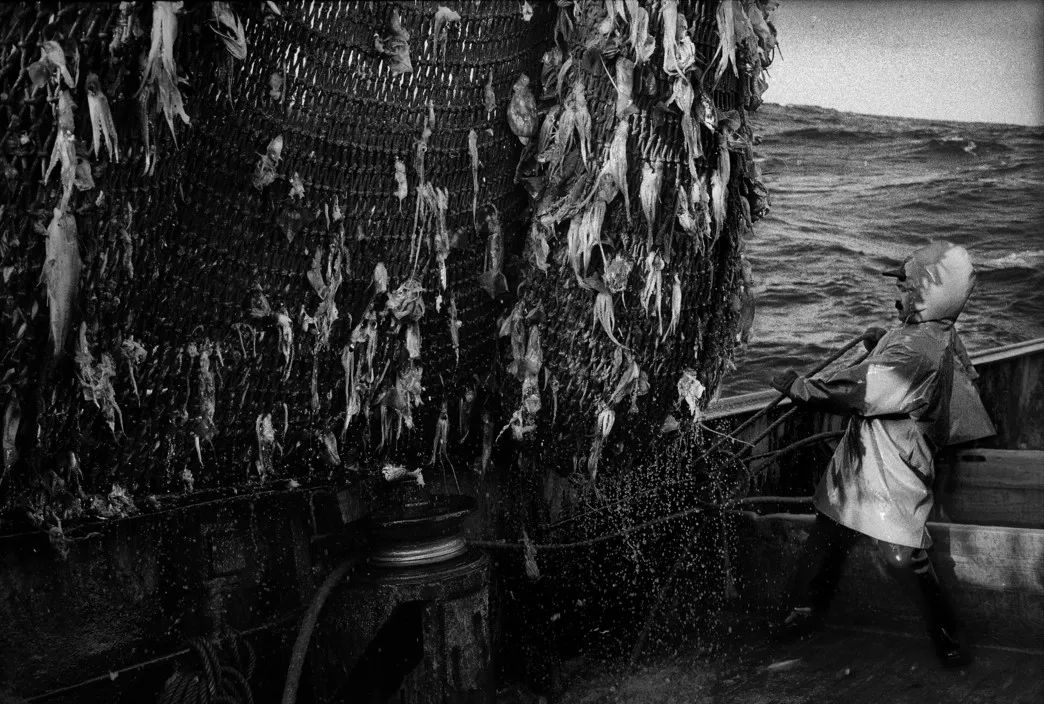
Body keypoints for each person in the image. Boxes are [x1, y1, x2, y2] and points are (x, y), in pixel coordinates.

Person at [768, 241, 995, 668]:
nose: (901, 293)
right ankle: (805, 613)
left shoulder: (919, 349)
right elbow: (902, 351)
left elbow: (862, 390)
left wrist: (800, 387)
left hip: (896, 462)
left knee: (901, 556)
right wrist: (880, 339)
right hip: (861, 456)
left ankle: (949, 638)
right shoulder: (930, 330)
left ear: (934, 294)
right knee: (828, 534)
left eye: (908, 286)